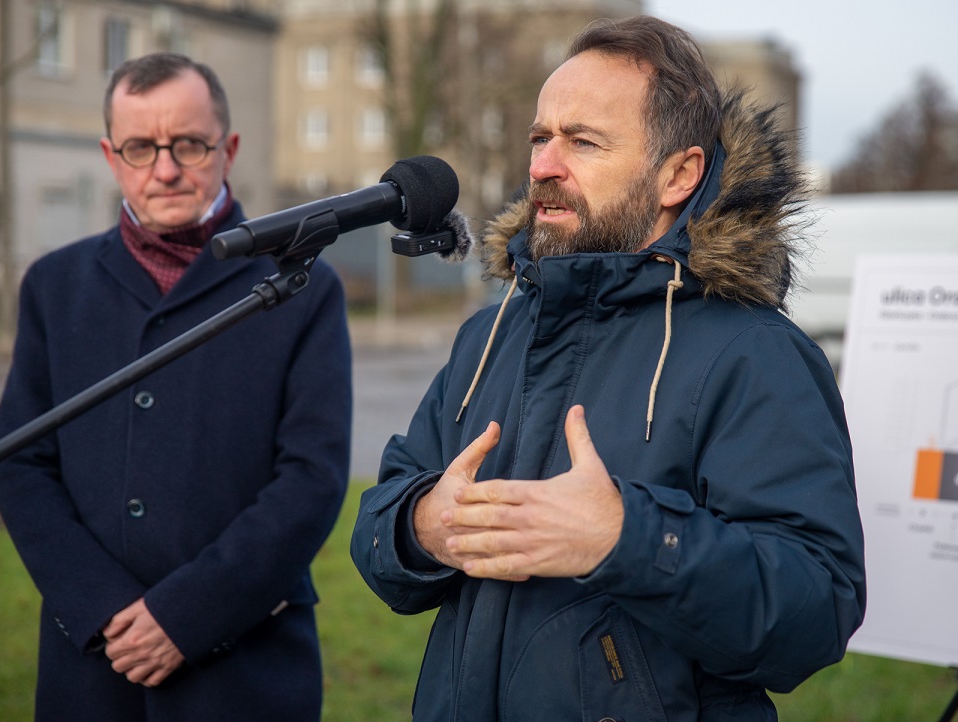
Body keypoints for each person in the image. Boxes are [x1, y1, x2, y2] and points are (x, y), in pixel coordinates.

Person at [351, 15, 866, 721]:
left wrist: (629, 539)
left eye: (582, 142)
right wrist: (421, 526)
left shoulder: (755, 354)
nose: (543, 167)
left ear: (677, 175)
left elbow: (817, 610)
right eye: (540, 139)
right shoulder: (491, 332)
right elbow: (378, 523)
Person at [0, 52, 351, 721]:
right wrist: (103, 608)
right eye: (139, 147)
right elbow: (20, 462)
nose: (164, 169)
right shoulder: (53, 286)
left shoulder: (304, 287)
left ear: (229, 148)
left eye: (188, 144)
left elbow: (312, 479)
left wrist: (186, 616)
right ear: (109, 155)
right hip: (90, 669)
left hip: (244, 674)